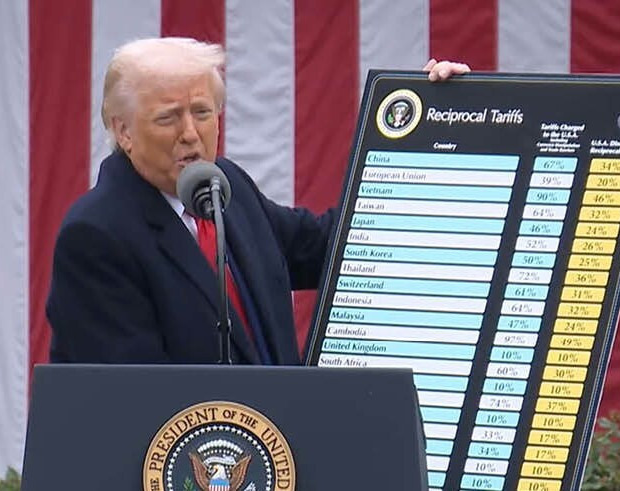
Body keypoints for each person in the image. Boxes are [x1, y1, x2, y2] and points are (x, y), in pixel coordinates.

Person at [46, 37, 469, 364]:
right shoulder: (97, 235)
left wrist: (430, 129)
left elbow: (329, 247)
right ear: (123, 131)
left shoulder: (225, 186)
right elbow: (128, 400)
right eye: (168, 118)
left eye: (202, 112)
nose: (190, 133)